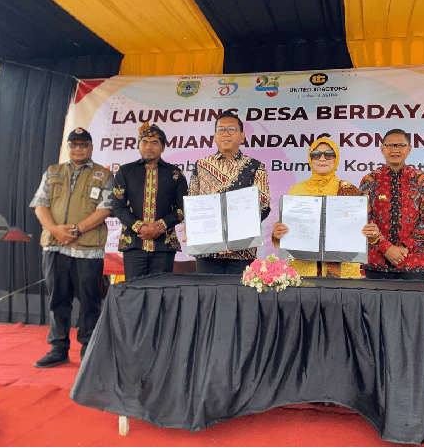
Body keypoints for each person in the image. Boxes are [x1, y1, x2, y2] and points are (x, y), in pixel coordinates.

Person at [29, 127, 113, 367]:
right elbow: (40, 205)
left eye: (83, 145)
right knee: (57, 299)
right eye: (74, 145)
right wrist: (55, 230)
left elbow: (106, 208)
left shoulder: (104, 175)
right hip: (55, 246)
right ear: (68, 147)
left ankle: (89, 348)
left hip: (88, 248)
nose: (78, 149)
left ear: (91, 147)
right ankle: (58, 348)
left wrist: (76, 230)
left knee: (90, 300)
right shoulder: (53, 172)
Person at [188, 111, 271, 274]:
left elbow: (263, 206)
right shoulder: (201, 165)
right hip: (207, 249)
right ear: (214, 136)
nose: (225, 133)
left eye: (232, 129)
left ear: (242, 136)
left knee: (239, 297)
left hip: (242, 251)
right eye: (220, 129)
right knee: (208, 296)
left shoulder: (255, 167)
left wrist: (232, 240)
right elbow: (193, 205)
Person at [271, 137, 365, 278]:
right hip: (304, 269)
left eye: (328, 155)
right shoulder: (297, 190)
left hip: (342, 271)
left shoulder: (349, 190)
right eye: (316, 155)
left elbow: (360, 231)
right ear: (310, 159)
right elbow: (287, 230)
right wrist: (278, 233)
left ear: (336, 159)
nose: (322, 159)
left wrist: (370, 234)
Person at [108, 123, 187, 280]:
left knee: (161, 294)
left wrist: (159, 227)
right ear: (138, 145)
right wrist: (140, 227)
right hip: (134, 244)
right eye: (144, 141)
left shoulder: (175, 174)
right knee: (135, 294)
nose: (148, 146)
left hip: (164, 245)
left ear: (163, 147)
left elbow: (183, 208)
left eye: (154, 142)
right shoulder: (125, 171)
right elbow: (118, 207)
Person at [358, 129, 424, 279]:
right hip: (377, 262)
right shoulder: (369, 180)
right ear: (382, 149)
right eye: (390, 146)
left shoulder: (422, 179)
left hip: (414, 261)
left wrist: (404, 248)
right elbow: (364, 219)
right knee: (376, 303)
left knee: (414, 303)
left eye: (400, 145)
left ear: (409, 149)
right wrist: (386, 248)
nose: (395, 150)